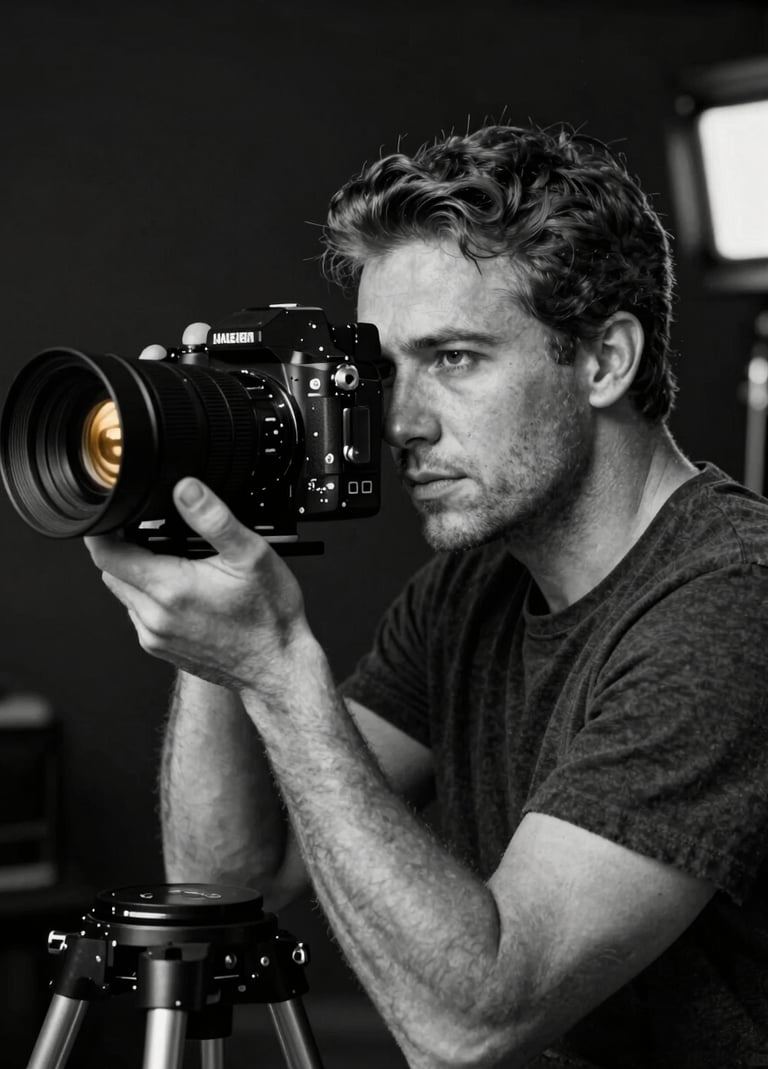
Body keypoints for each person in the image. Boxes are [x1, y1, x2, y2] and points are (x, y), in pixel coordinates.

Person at [85, 124, 768, 1069]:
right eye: (386, 369)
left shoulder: (732, 603)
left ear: (605, 360)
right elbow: (225, 881)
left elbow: (474, 1022)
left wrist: (280, 670)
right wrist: (218, 591)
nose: (399, 422)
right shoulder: (473, 588)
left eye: (453, 358)